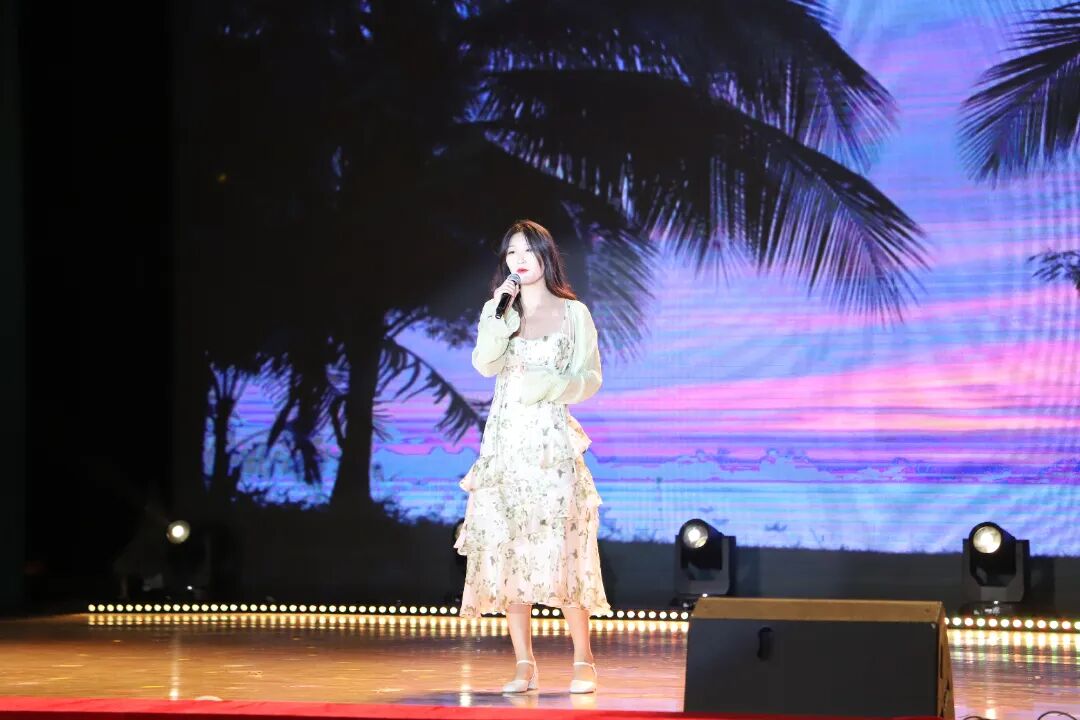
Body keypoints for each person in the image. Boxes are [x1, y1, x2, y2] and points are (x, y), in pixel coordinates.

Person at [454, 219, 610, 695]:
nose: (519, 259)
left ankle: (583, 659)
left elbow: (591, 378)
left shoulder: (573, 313)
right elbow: (484, 364)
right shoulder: (499, 309)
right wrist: (497, 318)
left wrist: (553, 385)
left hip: (551, 445)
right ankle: (524, 663)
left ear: (546, 255)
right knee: (508, 549)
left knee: (564, 547)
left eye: (527, 250)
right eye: (511, 252)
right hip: (505, 445)